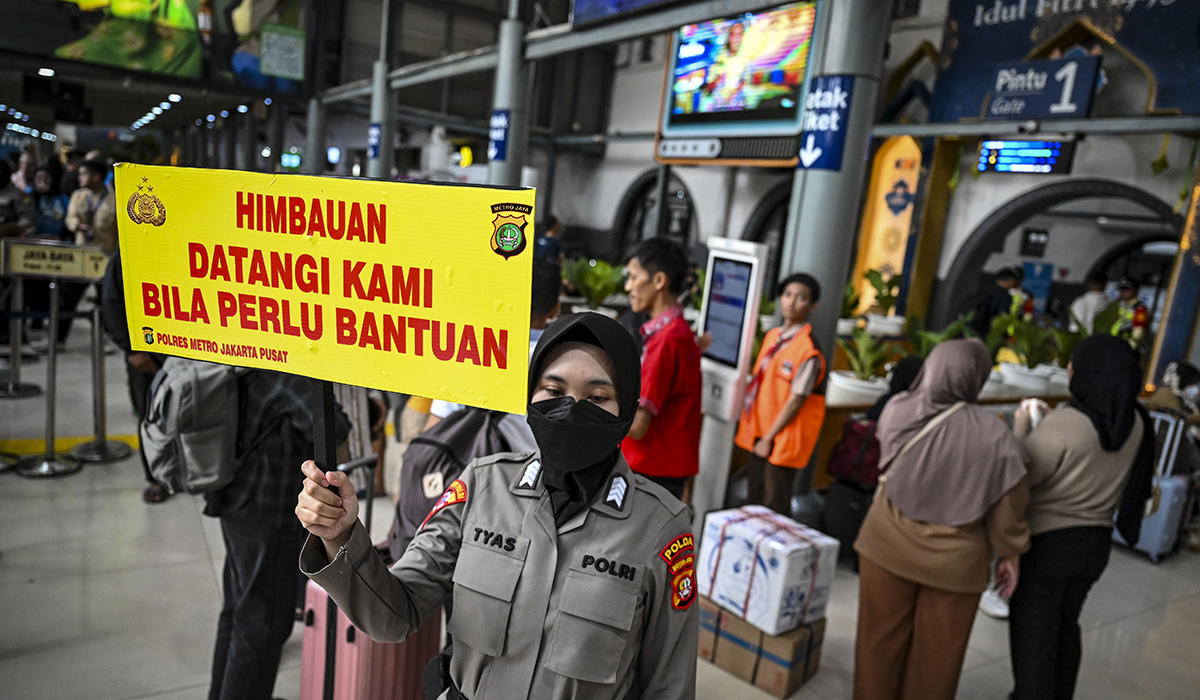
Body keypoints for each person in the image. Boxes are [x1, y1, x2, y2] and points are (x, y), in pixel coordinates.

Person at [297, 313, 698, 700]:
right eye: (554, 392)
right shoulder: (483, 485)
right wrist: (342, 536)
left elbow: (669, 686)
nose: (571, 409)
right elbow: (395, 615)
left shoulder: (661, 527)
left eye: (597, 397)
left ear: (626, 410)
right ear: (530, 397)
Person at [853, 338, 1030, 700]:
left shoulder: (898, 409)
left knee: (876, 647)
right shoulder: (997, 438)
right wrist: (1010, 553)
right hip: (954, 566)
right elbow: (1007, 508)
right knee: (937, 662)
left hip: (885, 546)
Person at [1008, 335, 1155, 700]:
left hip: (1050, 544)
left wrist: (1022, 425)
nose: (1071, 368)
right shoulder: (1135, 420)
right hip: (1097, 544)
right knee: (1065, 627)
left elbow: (1023, 473)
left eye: (1075, 361)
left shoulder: (1069, 422)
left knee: (1034, 635)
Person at [208, 371, 349, 700]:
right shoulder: (284, 373)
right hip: (267, 510)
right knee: (263, 625)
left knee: (238, 610)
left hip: (234, 499)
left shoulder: (240, 360)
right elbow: (335, 428)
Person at [425, 258, 562, 439]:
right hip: (537, 466)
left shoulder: (472, 352)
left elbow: (434, 429)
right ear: (555, 308)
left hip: (472, 464)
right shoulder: (564, 359)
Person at [734, 272, 827, 516]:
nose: (791, 302)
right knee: (754, 498)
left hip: (781, 440)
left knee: (774, 504)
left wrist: (769, 438)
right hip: (759, 433)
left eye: (801, 297)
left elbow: (796, 399)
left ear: (813, 305)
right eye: (787, 295)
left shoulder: (808, 350)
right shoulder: (773, 337)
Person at [620, 237, 702, 502]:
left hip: (651, 471)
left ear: (658, 281)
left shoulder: (666, 340)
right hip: (661, 469)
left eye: (633, 277)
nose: (628, 286)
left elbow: (638, 425)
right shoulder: (675, 332)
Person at [100, 250, 172, 502]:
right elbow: (112, 301)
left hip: (189, 352)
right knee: (151, 416)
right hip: (148, 352)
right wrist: (132, 349)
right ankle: (157, 477)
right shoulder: (132, 247)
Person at [66, 158, 118, 254]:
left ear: (96, 177)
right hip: (81, 252)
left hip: (104, 254)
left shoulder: (114, 199)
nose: (79, 177)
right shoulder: (78, 196)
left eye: (84, 174)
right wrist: (76, 225)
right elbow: (70, 218)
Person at [970, 267, 1021, 336]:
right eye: (1015, 281)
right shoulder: (1004, 296)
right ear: (1010, 280)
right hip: (989, 333)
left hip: (973, 328)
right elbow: (1002, 318)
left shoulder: (984, 290)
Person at [32, 166, 69, 240]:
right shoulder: (29, 195)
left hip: (57, 240)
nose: (43, 180)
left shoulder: (63, 199)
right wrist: (37, 194)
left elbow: (68, 221)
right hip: (34, 239)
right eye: (39, 178)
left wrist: (61, 237)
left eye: (47, 177)